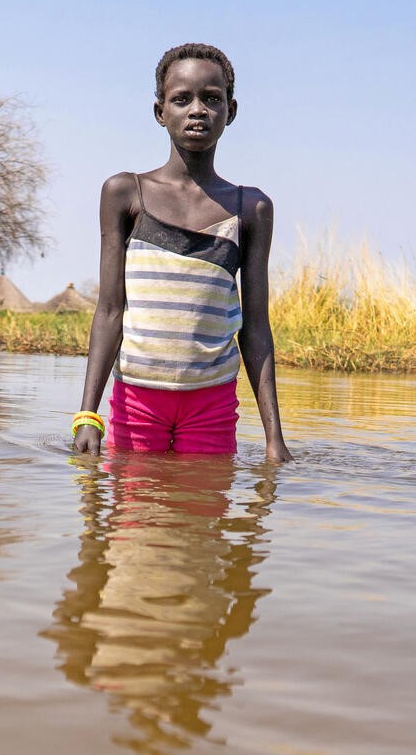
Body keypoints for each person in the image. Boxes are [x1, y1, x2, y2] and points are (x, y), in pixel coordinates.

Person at [71, 43, 292, 463]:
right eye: (181, 99)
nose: (197, 111)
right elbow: (110, 311)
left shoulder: (250, 208)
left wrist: (274, 439)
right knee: (133, 503)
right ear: (160, 112)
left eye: (212, 99)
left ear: (231, 111)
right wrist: (87, 415)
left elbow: (256, 328)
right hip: (138, 397)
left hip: (211, 401)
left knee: (207, 500)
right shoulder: (125, 194)